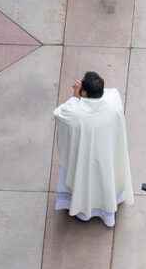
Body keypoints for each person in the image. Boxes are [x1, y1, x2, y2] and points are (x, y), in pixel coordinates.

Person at [54, 71, 134, 227]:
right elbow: (110, 93)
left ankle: (83, 210)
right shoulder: (113, 100)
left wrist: (75, 96)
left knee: (85, 180)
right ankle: (108, 210)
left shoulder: (75, 112)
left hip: (85, 157)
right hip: (106, 153)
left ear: (84, 92)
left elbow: (58, 113)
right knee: (105, 179)